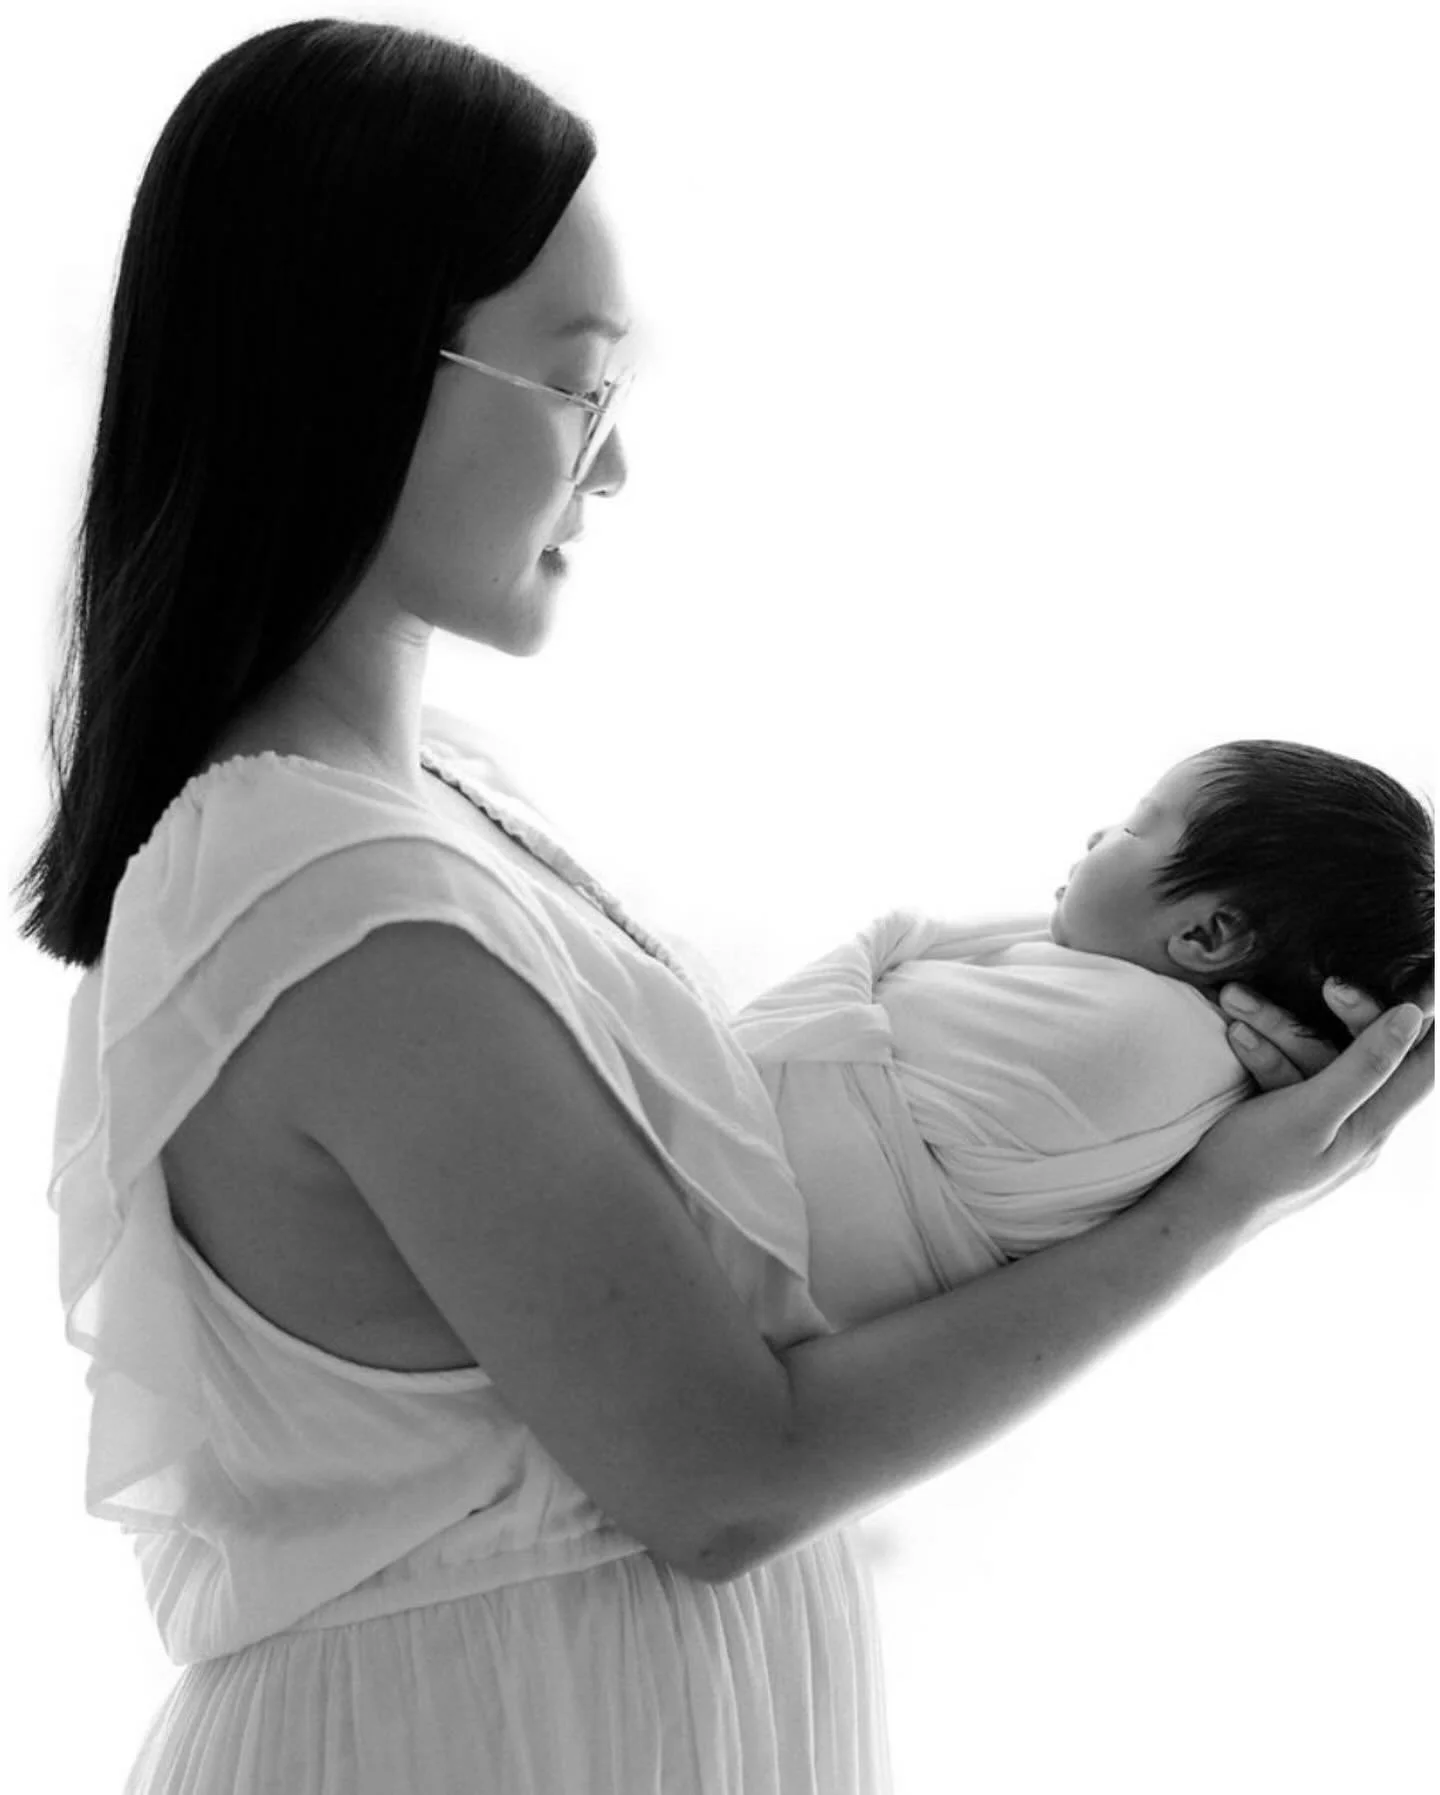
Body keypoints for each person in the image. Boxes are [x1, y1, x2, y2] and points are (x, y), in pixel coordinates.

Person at [13, 19, 1432, 1795]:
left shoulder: (433, 806)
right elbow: (718, 1476)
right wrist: (1212, 1207)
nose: (611, 467)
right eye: (577, 387)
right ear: (353, 367)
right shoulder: (331, 895)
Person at [732, 741, 1433, 1328]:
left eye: (1135, 827)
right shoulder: (1222, 1094)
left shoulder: (1144, 1033)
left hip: (739, 1228)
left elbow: (834, 1036)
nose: (1097, 835)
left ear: (1206, 935)